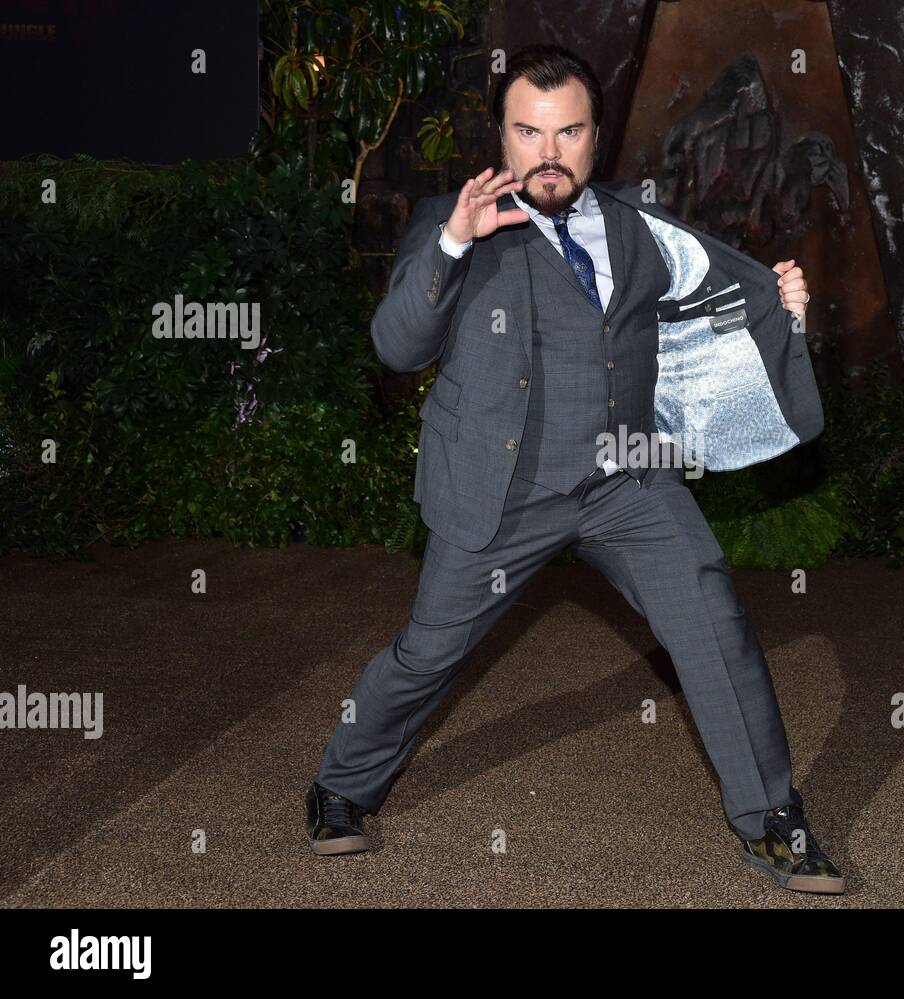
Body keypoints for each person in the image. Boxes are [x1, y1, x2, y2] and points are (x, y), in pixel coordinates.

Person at [306, 43, 843, 895]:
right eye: (528, 131)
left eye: (568, 132)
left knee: (711, 619)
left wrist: (782, 317)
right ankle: (342, 786)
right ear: (503, 135)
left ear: (597, 137)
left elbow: (712, 302)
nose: (547, 153)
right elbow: (396, 345)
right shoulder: (453, 220)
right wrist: (452, 243)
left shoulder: (639, 225)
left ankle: (773, 820)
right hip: (501, 487)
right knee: (428, 654)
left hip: (626, 477)